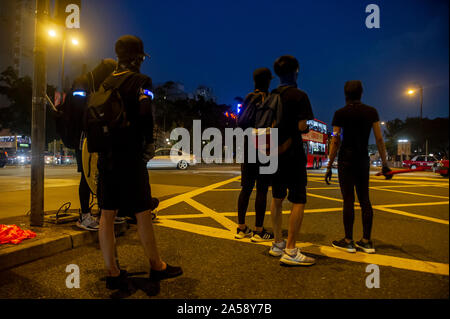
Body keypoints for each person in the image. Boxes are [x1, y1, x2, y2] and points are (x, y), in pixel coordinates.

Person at [96, 35, 182, 290]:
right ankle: (157, 266)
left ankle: (113, 272)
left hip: (106, 158)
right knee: (143, 211)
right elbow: (145, 114)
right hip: (130, 158)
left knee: (106, 214)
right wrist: (147, 143)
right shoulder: (140, 81)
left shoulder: (106, 82)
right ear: (138, 57)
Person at [325, 80, 391, 254]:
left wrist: (329, 164)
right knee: (365, 200)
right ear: (361, 93)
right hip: (363, 161)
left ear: (345, 94)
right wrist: (385, 163)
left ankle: (348, 241)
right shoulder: (371, 112)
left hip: (346, 161)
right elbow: (379, 139)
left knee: (348, 200)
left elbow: (335, 139)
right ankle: (366, 241)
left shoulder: (340, 113)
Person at [268, 55, 316, 266]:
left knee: (277, 197)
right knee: (298, 199)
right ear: (296, 70)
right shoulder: (299, 95)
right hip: (293, 153)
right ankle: (291, 250)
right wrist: (302, 126)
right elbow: (301, 126)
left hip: (274, 154)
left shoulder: (271, 96)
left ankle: (277, 243)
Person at [70, 59, 119, 231]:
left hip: (98, 137)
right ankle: (84, 216)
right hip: (84, 138)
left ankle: (103, 213)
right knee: (86, 175)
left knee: (102, 175)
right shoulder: (82, 83)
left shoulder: (101, 86)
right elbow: (77, 111)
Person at [235, 68, 274, 242]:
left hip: (247, 147)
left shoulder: (248, 97)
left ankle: (241, 228)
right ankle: (259, 230)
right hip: (264, 147)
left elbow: (240, 122)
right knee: (262, 190)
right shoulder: (270, 99)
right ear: (268, 81)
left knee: (246, 188)